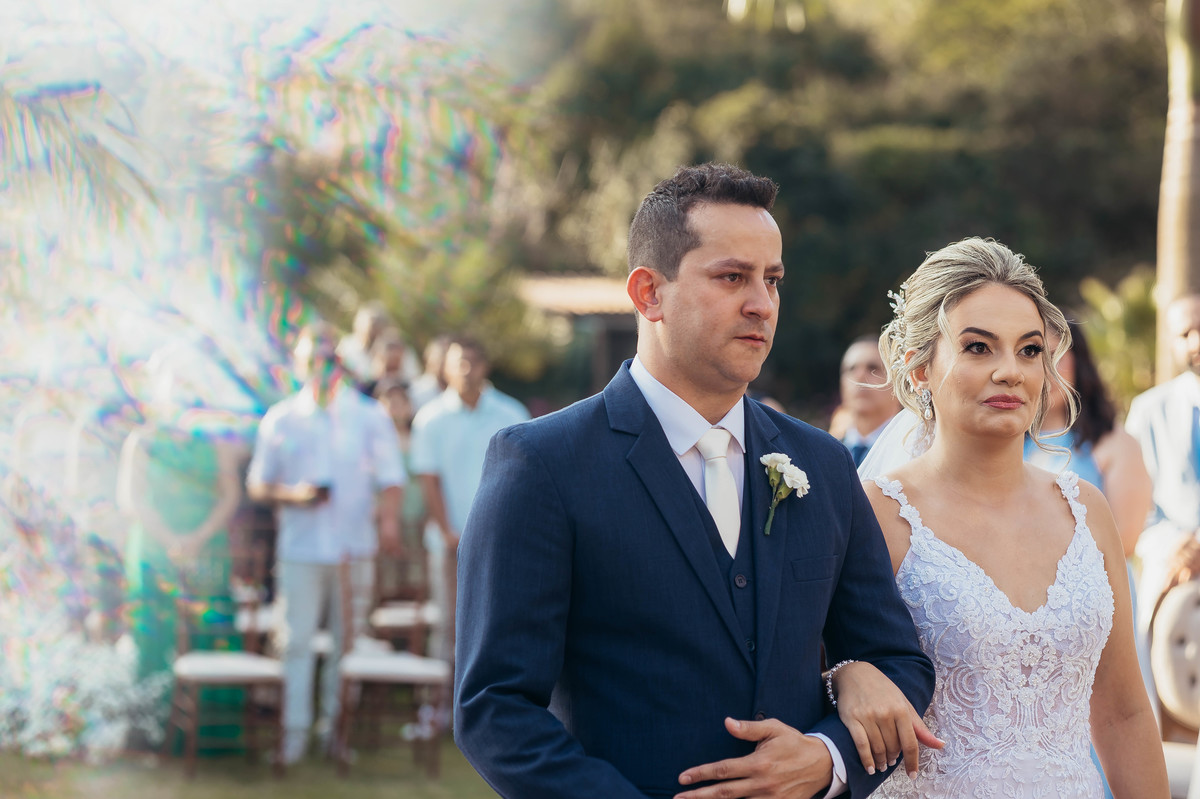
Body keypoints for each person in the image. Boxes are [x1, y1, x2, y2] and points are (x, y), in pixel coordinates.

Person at [454, 162, 935, 799]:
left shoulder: (821, 465)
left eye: (772, 280)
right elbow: (494, 708)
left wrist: (828, 761)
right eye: (732, 277)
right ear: (648, 293)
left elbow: (897, 661)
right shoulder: (541, 464)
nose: (762, 304)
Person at [841, 238, 1168, 797]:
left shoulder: (1086, 510)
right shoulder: (875, 513)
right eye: (978, 347)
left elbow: (1123, 714)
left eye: (1030, 350)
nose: (1010, 371)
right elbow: (814, 667)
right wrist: (845, 676)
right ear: (918, 368)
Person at [246, 321, 405, 764]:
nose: (320, 366)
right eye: (311, 358)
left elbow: (392, 477)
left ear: (340, 363)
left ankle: (338, 736)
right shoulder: (281, 418)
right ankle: (292, 738)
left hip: (354, 548)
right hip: (300, 548)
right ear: (298, 364)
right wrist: (293, 495)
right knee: (295, 642)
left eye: (328, 358)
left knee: (346, 646)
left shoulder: (368, 415)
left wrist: (388, 522)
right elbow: (258, 484)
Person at [1022, 317, 1156, 799]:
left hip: (1092, 599)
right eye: (1035, 354)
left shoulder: (1112, 444)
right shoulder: (1008, 445)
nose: (1048, 369)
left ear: (1081, 365)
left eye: (1059, 356)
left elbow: (1126, 540)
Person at [410, 337, 529, 665]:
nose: (465, 370)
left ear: (484, 366)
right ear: (445, 368)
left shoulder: (511, 412)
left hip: (499, 543)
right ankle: (440, 697)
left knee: (499, 623)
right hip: (448, 543)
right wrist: (447, 532)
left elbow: (520, 478)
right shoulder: (430, 418)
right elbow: (428, 479)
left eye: (472, 362)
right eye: (458, 363)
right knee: (449, 625)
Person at [1127, 294, 1200, 632]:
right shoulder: (1148, 411)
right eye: (1185, 334)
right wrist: (1178, 546)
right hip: (1173, 584)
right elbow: (1135, 508)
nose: (1195, 342)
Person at [836, 335, 901, 467]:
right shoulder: (825, 451)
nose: (859, 376)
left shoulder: (913, 451)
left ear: (898, 382)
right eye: (851, 369)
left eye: (873, 368)